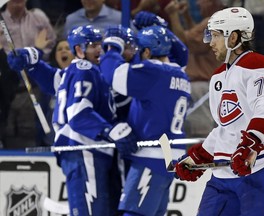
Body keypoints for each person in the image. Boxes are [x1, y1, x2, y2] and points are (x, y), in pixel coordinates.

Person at [7, 25, 138, 216]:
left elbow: (55, 80)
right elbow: (78, 113)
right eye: (93, 45)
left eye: (100, 44)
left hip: (86, 151)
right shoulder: (84, 69)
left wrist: (32, 61)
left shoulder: (82, 71)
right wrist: (108, 131)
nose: (99, 49)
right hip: (84, 148)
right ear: (79, 50)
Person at [174, 7, 264, 216]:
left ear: (233, 37)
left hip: (260, 168)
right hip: (224, 175)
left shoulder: (257, 65)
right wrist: (197, 159)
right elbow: (225, 128)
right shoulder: (219, 76)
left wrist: (250, 144)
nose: (210, 42)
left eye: (215, 35)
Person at [101, 25, 191, 216]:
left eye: (139, 50)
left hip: (152, 156)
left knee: (134, 213)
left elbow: (113, 74)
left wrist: (113, 46)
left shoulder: (152, 72)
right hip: (170, 156)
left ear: (147, 51)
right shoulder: (181, 75)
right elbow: (181, 53)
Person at [0, 0, 56, 148]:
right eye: (14, 1)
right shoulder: (1, 20)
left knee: (49, 89)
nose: (18, 4)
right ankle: (4, 138)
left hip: (36, 66)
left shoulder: (38, 17)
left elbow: (50, 42)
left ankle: (44, 140)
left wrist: (36, 52)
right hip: (7, 70)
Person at [164, 0, 223, 138]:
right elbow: (196, 38)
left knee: (199, 137)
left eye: (202, 2)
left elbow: (185, 45)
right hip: (212, 87)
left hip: (201, 87)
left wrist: (173, 15)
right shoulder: (222, 23)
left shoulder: (212, 23)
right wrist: (186, 17)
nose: (198, 4)